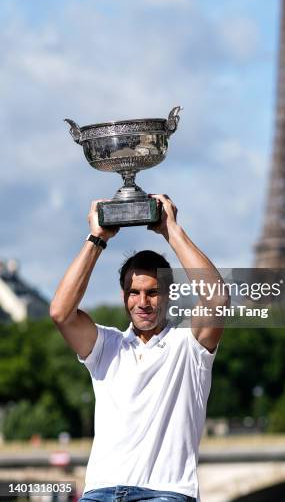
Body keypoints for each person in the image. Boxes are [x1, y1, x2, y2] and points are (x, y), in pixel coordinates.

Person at [50, 194, 228, 502]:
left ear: (170, 295)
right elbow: (61, 313)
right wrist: (97, 237)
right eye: (134, 292)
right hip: (100, 492)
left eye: (152, 293)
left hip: (165, 492)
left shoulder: (188, 344)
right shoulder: (107, 345)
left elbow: (217, 299)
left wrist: (170, 230)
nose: (142, 302)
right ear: (123, 297)